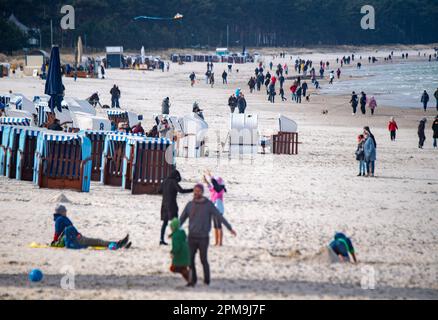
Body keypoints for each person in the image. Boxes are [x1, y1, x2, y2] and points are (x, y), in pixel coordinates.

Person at [179, 184, 236, 287]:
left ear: (202, 192)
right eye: (195, 191)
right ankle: (193, 281)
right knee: (190, 260)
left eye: (198, 191)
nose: (196, 193)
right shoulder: (189, 205)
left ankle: (207, 281)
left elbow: (219, 216)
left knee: (203, 259)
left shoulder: (208, 205)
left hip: (203, 237)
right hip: (191, 237)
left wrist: (230, 228)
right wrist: (174, 231)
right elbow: (181, 219)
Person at [51, 204, 131, 249]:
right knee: (98, 241)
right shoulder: (60, 219)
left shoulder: (60, 219)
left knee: (98, 241)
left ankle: (118, 243)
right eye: (65, 211)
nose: (66, 212)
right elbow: (57, 232)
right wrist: (55, 241)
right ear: (61, 212)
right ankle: (119, 244)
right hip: (77, 239)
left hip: (76, 238)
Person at [158, 170, 193, 246]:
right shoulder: (173, 182)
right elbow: (181, 191)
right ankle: (176, 239)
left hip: (164, 205)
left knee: (165, 223)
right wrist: (192, 190)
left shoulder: (165, 181)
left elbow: (159, 191)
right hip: (172, 205)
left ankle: (161, 239)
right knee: (176, 223)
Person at [203, 172, 227, 246]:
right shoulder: (215, 188)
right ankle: (216, 242)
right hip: (213, 208)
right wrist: (205, 179)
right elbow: (209, 185)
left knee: (219, 225)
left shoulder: (221, 189)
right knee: (215, 226)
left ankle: (220, 242)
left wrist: (211, 177)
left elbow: (215, 186)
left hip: (219, 209)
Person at [169, 218, 191, 284]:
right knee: (182, 268)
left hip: (181, 255)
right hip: (186, 253)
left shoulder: (175, 236)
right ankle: (190, 279)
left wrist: (172, 252)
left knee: (174, 268)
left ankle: (190, 278)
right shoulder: (181, 233)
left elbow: (177, 246)